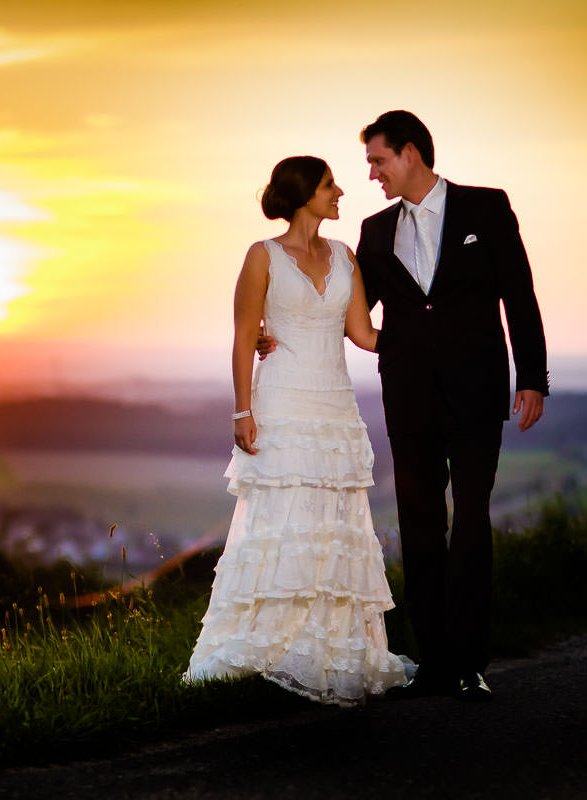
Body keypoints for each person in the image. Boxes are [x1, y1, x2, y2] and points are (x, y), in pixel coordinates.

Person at [259, 111, 549, 701]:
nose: (372, 174)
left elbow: (520, 294)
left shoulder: (486, 208)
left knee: (472, 519)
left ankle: (469, 661)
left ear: (410, 152)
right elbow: (347, 310)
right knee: (418, 524)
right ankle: (435, 661)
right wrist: (278, 332)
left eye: (378, 160)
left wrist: (532, 377)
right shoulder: (373, 231)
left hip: (476, 390)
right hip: (408, 395)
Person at [183, 156, 411, 706]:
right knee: (281, 524)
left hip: (334, 406)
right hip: (282, 402)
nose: (340, 192)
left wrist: (425, 330)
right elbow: (244, 337)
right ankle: (269, 649)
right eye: (330, 185)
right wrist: (242, 412)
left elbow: (364, 334)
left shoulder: (345, 255)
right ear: (304, 192)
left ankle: (325, 651)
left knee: (330, 528)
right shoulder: (261, 255)